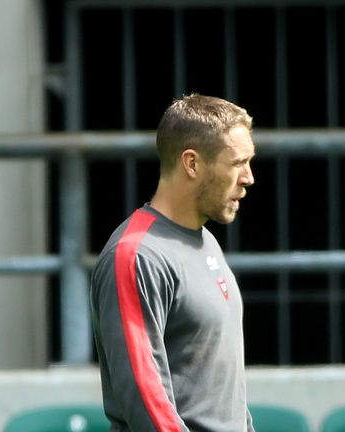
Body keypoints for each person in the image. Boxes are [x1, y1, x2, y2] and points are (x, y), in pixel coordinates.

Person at [89, 93, 256, 431]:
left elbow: (226, 399)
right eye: (238, 163)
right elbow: (145, 400)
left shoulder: (206, 241)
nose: (249, 177)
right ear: (192, 163)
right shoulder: (137, 255)